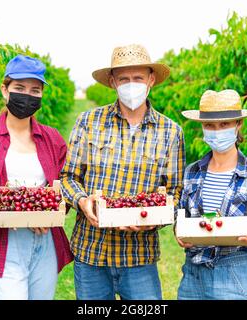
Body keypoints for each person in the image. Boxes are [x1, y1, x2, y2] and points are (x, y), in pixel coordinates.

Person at [60, 44, 185, 300]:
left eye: (138, 78)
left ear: (151, 80)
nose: (131, 85)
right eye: (124, 79)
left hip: (139, 255)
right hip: (91, 251)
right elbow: (68, 177)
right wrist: (83, 201)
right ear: (112, 81)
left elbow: (175, 192)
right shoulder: (89, 122)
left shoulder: (170, 132)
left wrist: (154, 218)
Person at [0, 55, 73, 300]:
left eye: (35, 90)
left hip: (44, 243)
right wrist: (5, 213)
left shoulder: (52, 139)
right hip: (3, 243)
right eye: (19, 88)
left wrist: (51, 212)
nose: (27, 95)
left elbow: (67, 186)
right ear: (4, 90)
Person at [176, 89, 247, 300]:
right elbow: (182, 219)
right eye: (210, 125)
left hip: (237, 275)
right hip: (193, 278)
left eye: (224, 124)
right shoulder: (192, 172)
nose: (217, 131)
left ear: (238, 125)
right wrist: (179, 231)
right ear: (202, 127)